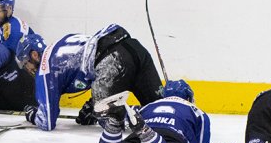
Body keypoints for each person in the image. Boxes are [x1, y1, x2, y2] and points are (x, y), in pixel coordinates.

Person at [15, 24, 163, 131]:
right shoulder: (62, 43)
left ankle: (132, 114)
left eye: (25, 63)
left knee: (110, 120)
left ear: (34, 55)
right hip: (134, 47)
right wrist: (93, 105)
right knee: (161, 111)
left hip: (112, 60)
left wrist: (32, 114)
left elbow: (46, 122)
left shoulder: (45, 69)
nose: (27, 69)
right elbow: (91, 66)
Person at [92, 79, 210, 143]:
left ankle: (114, 124)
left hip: (136, 139)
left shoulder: (148, 106)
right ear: (189, 97)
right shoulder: (197, 111)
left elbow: (132, 114)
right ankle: (146, 134)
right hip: (171, 137)